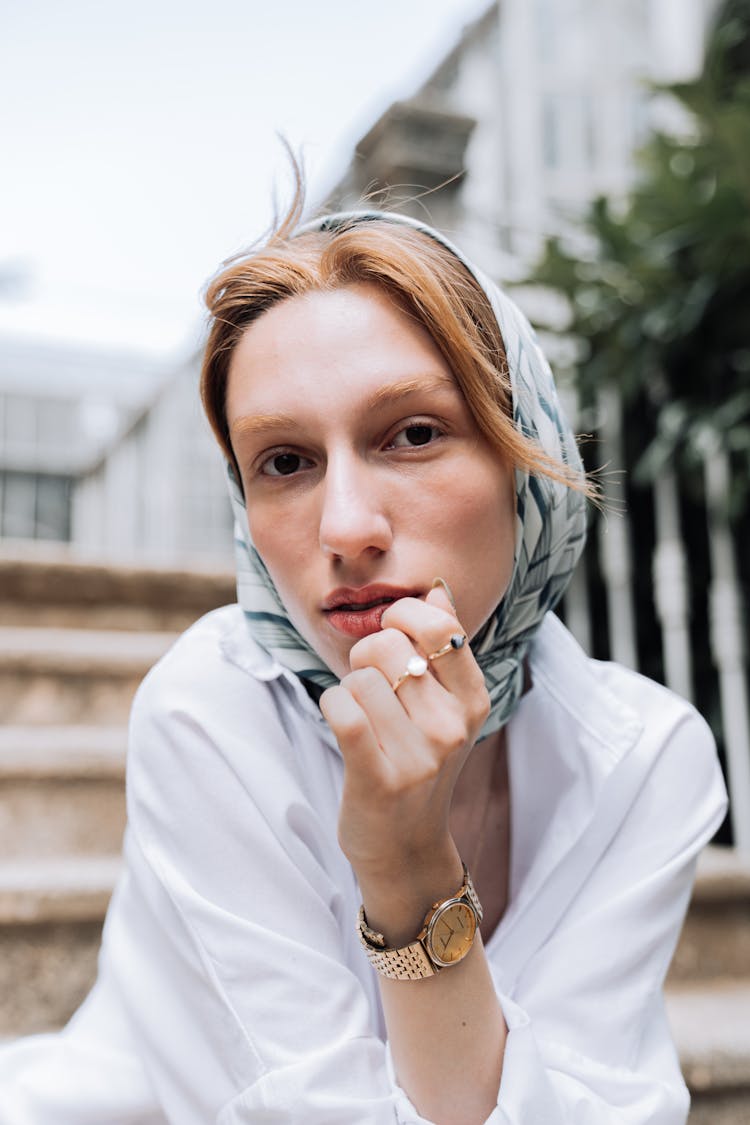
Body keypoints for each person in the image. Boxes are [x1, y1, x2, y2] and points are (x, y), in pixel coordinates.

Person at [0, 191, 727, 1125]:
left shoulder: (646, 755)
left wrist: (413, 870)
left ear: (524, 455)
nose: (344, 528)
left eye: (414, 434)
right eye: (285, 461)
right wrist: (406, 866)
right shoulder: (210, 713)